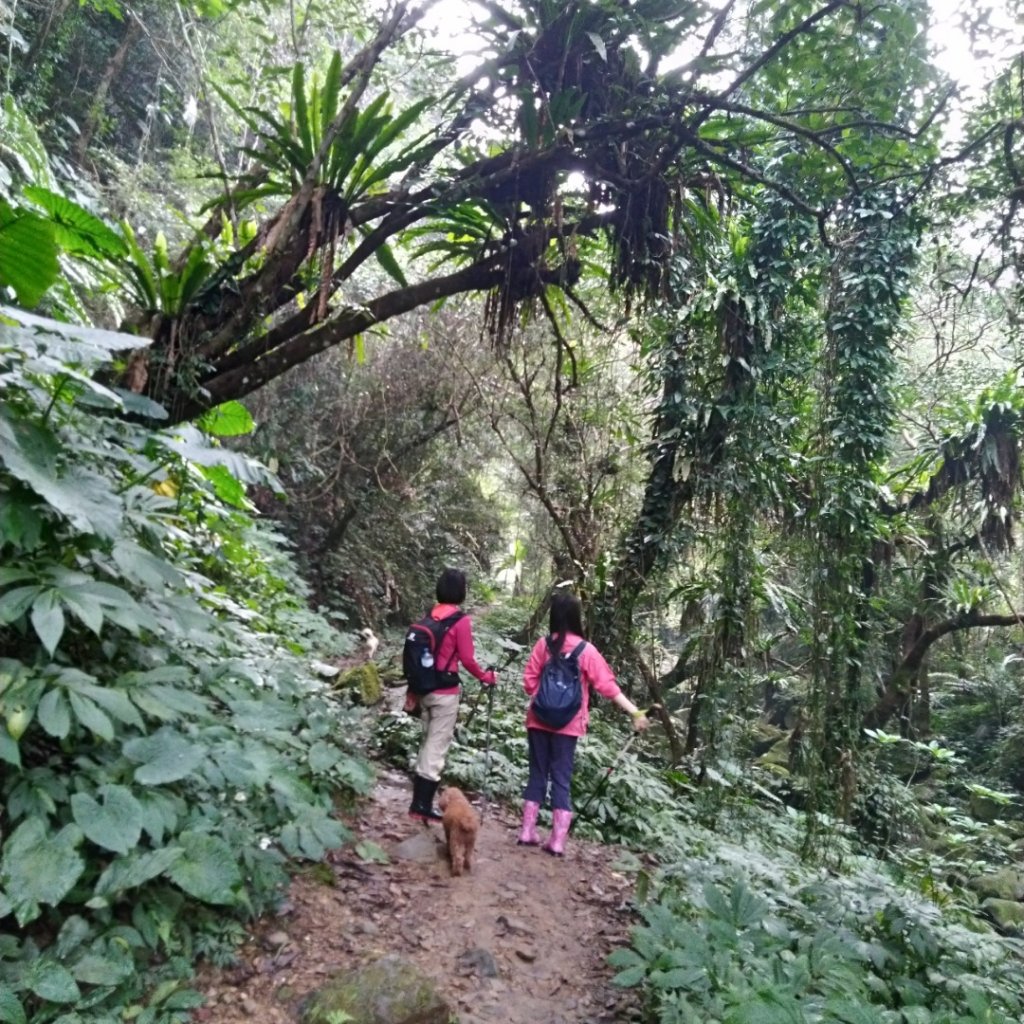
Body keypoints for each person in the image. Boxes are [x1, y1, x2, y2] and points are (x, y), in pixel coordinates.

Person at [519, 592, 649, 856]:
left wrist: (545, 698)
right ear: (577, 618)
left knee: (537, 774)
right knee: (562, 779)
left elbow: (529, 683)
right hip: (569, 726)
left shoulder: (543, 646)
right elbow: (607, 687)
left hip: (538, 720)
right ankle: (556, 841)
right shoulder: (586, 651)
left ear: (553, 616)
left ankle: (527, 831)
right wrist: (635, 712)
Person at [408, 568, 497, 822]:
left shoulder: (430, 615)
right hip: (445, 693)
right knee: (436, 747)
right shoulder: (460, 621)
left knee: (427, 742)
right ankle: (421, 806)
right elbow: (467, 659)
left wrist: (412, 692)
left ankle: (419, 802)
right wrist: (486, 677)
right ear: (461, 592)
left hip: (424, 689)